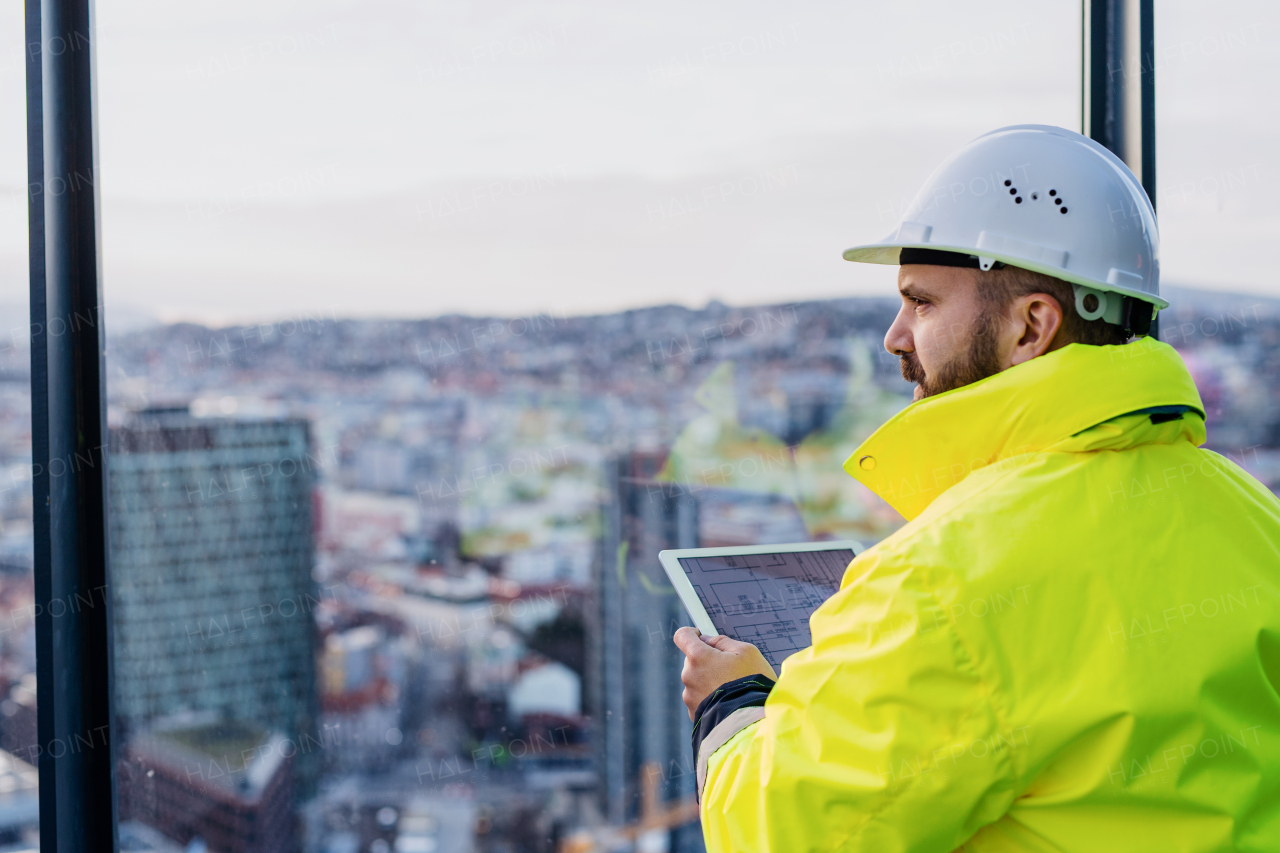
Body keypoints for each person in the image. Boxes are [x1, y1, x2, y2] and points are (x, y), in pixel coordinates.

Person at [673, 125, 1280, 851]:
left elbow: (782, 833)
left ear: (1032, 325)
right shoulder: (1252, 517)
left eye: (922, 303)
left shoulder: (944, 574)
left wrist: (734, 705)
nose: (896, 336)